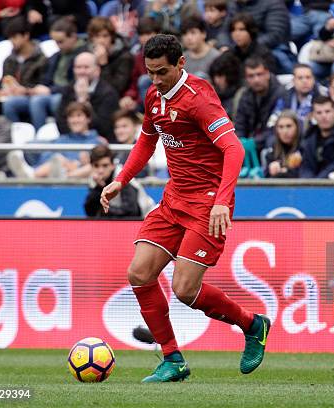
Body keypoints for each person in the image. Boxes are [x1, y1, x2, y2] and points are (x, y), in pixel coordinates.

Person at [100, 34, 270, 382]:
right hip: (174, 199)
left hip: (207, 204)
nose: (156, 80)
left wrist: (222, 201)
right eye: (150, 73)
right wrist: (122, 179)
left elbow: (233, 150)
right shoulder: (153, 95)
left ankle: (253, 325)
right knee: (139, 274)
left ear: (181, 63)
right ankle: (172, 359)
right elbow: (147, 139)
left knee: (185, 290)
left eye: (162, 72)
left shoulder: (199, 99)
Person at [8, 101, 103, 179]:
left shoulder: (96, 141)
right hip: (47, 176)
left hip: (74, 178)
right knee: (53, 156)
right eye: (71, 117)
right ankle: (30, 175)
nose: (75, 120)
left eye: (79, 116)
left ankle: (29, 176)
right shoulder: (61, 140)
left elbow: (96, 166)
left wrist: (75, 164)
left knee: (58, 159)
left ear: (88, 119)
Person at [56, 52, 120, 142]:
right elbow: (60, 122)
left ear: (97, 70)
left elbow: (105, 127)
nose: (81, 71)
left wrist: (83, 100)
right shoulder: (68, 90)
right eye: (78, 67)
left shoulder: (108, 93)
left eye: (86, 67)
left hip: (98, 144)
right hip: (71, 141)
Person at [300, 95, 334, 178]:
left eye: (327, 111)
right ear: (313, 115)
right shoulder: (309, 137)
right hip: (311, 186)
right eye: (319, 113)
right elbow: (306, 166)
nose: (324, 116)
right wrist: (309, 184)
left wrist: (317, 183)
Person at [84, 144, 141, 218]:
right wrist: (98, 188)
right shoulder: (94, 179)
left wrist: (104, 212)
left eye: (105, 165)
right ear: (91, 166)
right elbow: (90, 211)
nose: (100, 171)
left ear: (112, 165)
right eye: (96, 165)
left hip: (145, 219)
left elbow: (132, 211)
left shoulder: (124, 177)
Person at [261, 110, 303, 178]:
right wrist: (270, 170)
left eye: (289, 126)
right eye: (281, 127)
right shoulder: (272, 149)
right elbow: (266, 178)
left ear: (297, 128)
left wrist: (286, 171)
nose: (285, 131)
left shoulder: (304, 147)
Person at [181, 15, 220, 80]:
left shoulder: (216, 57)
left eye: (193, 33)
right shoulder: (182, 59)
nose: (188, 38)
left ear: (204, 34)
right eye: (185, 34)